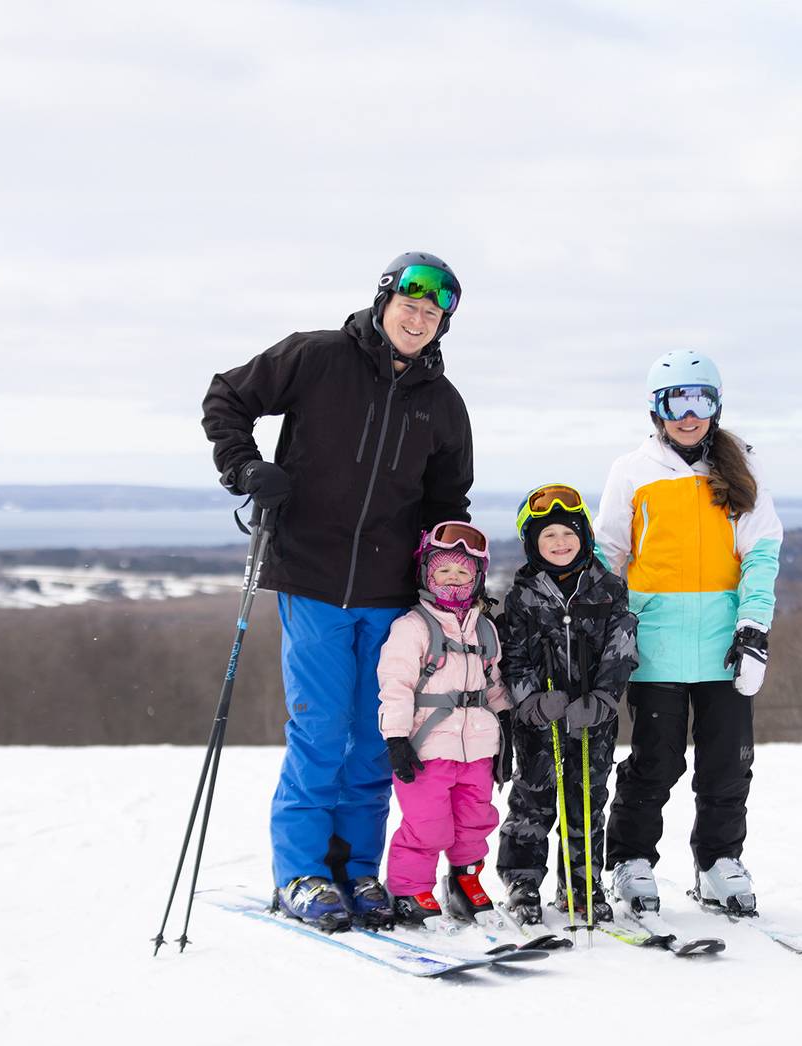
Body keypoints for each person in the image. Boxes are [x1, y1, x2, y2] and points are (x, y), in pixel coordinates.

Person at [199, 252, 473, 930]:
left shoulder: (442, 405)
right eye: (410, 304)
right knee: (320, 731)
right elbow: (226, 397)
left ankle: (357, 870)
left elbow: (448, 504)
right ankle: (302, 871)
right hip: (312, 578)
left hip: (389, 596)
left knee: (377, 734)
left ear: (442, 326)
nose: (418, 318)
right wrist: (246, 468)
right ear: (384, 302)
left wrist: (449, 583)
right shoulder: (317, 357)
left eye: (432, 313)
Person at [595, 350, 781, 916]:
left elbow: (761, 553)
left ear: (716, 406)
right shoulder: (633, 471)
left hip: (724, 645)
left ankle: (718, 862)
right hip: (656, 645)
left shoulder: (741, 468)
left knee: (727, 763)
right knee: (657, 761)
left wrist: (753, 627)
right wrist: (603, 634)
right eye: (677, 400)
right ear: (658, 408)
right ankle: (630, 860)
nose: (689, 413)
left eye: (701, 399)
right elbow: (608, 555)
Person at [495, 484, 639, 926]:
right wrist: (531, 701)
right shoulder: (522, 597)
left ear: (585, 536)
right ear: (532, 544)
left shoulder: (609, 589)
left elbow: (623, 647)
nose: (560, 543)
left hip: (592, 722)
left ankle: (582, 883)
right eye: (548, 536)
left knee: (587, 802)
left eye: (568, 533)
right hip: (540, 723)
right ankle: (522, 883)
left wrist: (602, 700)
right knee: (533, 802)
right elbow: (512, 656)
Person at [375, 522, 510, 928]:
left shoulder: (485, 628)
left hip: (478, 747)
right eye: (444, 571)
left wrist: (506, 725)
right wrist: (396, 739)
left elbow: (494, 682)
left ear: (478, 578)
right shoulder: (412, 627)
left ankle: (464, 882)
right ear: (426, 575)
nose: (454, 580)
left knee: (475, 819)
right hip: (427, 747)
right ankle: (408, 889)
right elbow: (395, 686)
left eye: (464, 573)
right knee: (427, 826)